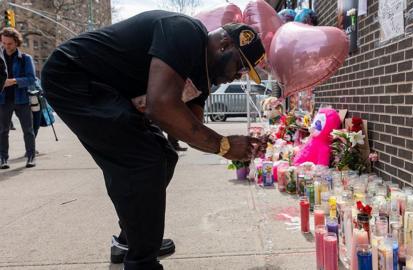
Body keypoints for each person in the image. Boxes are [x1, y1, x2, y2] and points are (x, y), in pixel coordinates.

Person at [41, 10, 267, 270]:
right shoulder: (186, 32)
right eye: (240, 66)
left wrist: (228, 145)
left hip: (109, 91)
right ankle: (142, 261)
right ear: (224, 44)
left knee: (164, 156)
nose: (238, 76)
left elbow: (189, 124)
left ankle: (132, 240)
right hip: (73, 76)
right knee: (144, 161)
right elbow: (161, 107)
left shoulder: (202, 75)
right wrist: (224, 145)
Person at [0, 27, 36, 169]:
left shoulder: (25, 59)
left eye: (9, 43)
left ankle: (30, 156)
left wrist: (13, 81)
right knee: (3, 131)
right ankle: (3, 158)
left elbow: (31, 79)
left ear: (16, 42)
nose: (6, 46)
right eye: (4, 43)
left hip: (21, 100)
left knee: (28, 130)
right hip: (3, 101)